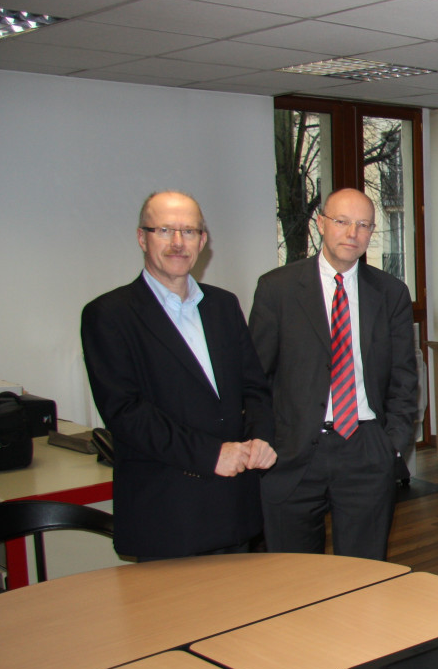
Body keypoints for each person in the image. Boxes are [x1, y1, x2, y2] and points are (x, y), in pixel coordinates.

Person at [81, 190, 276, 560]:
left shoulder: (223, 305)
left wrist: (262, 436)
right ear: (142, 237)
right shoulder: (109, 315)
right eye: (164, 230)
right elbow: (126, 414)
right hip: (166, 516)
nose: (177, 243)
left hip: (234, 510)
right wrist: (211, 454)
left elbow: (255, 388)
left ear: (203, 241)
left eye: (189, 232)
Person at [249, 188, 418, 560]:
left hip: (366, 448)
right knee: (293, 576)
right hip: (293, 452)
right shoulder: (276, 289)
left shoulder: (390, 293)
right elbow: (256, 378)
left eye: (363, 225)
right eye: (342, 222)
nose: (352, 233)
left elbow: (405, 376)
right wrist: (264, 442)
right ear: (321, 223)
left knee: (363, 576)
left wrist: (391, 445)